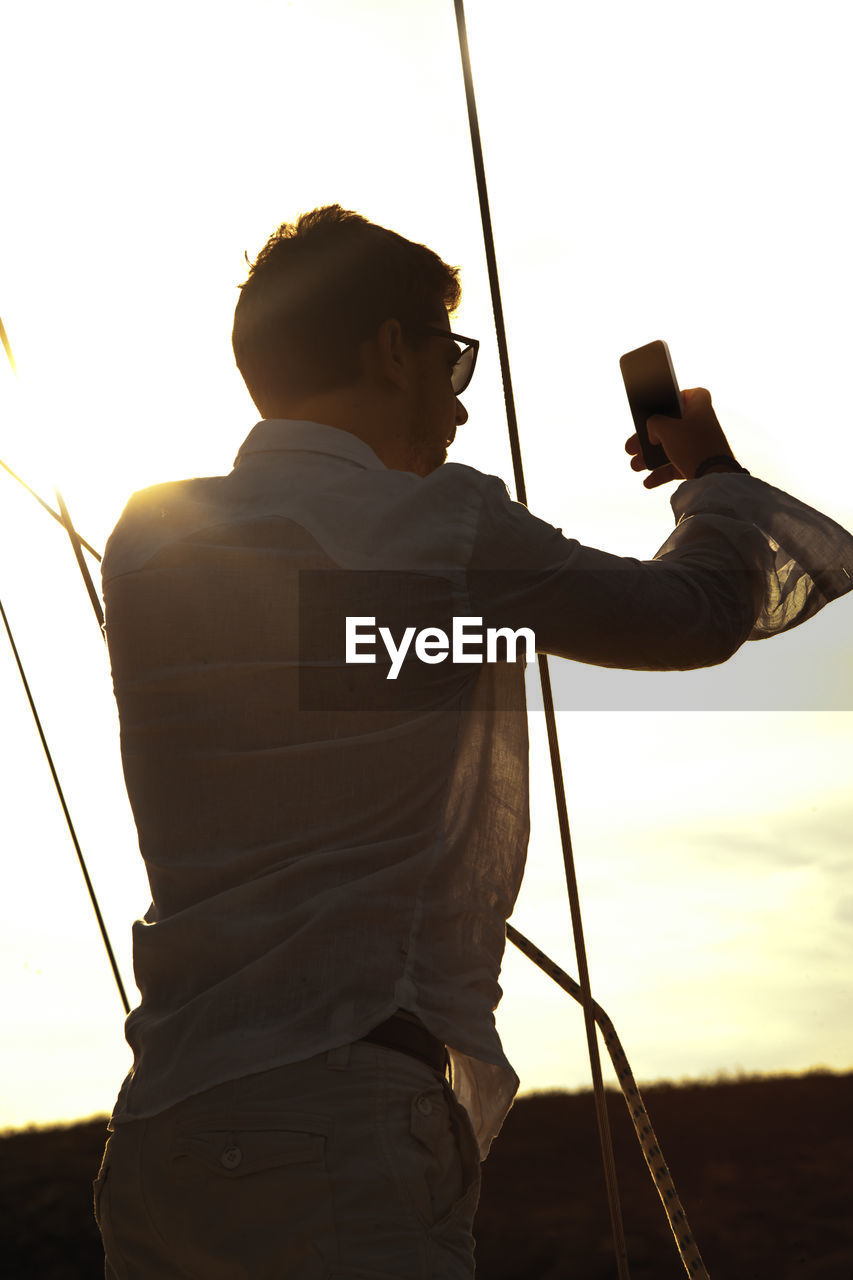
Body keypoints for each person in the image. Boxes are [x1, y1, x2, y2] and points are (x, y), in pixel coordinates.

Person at [92, 204, 853, 1279]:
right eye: (450, 359)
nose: (456, 402)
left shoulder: (148, 539)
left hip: (163, 1134)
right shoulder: (437, 530)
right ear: (391, 349)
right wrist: (709, 481)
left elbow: (346, 646)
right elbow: (693, 615)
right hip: (339, 1125)